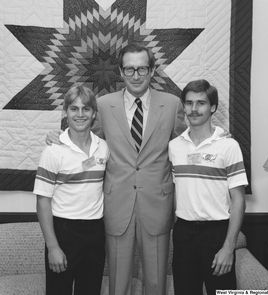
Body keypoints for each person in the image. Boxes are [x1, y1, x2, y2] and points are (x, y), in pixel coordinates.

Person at [46, 42, 186, 295]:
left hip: (157, 204)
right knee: (117, 283)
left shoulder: (173, 104)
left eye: (142, 69)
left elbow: (189, 144)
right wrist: (59, 137)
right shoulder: (103, 105)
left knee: (156, 282)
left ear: (153, 70)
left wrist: (219, 137)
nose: (136, 75)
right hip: (116, 206)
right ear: (120, 72)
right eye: (129, 69)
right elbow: (85, 137)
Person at [168, 79, 248, 295]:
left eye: (201, 103)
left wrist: (228, 247)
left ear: (212, 107)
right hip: (184, 233)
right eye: (189, 103)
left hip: (216, 233)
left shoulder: (228, 145)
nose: (194, 109)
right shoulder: (174, 147)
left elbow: (239, 199)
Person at [34, 84, 109, 295]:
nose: (80, 114)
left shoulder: (103, 147)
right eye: (74, 109)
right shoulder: (53, 150)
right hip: (64, 233)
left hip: (95, 233)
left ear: (94, 113)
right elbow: (42, 201)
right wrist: (53, 247)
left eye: (86, 109)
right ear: (65, 112)